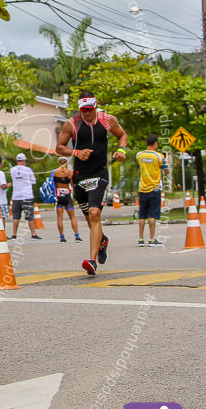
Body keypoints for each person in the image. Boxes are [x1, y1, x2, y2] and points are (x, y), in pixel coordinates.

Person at [55, 91, 129, 276]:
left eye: (89, 110)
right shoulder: (72, 123)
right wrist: (76, 152)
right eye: (83, 110)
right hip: (80, 177)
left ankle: (92, 261)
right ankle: (102, 240)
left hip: (99, 174)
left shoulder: (107, 120)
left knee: (95, 214)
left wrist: (122, 150)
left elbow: (122, 135)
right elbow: (59, 147)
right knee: (90, 219)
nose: (86, 113)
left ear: (95, 106)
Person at [136, 134, 167, 246]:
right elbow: (166, 170)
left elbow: (139, 166)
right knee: (152, 215)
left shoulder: (139, 155)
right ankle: (152, 240)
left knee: (142, 215)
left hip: (142, 188)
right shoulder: (158, 156)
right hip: (154, 188)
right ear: (155, 143)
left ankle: (140, 240)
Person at [9, 153, 41, 240]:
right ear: (23, 161)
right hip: (26, 196)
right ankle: (33, 234)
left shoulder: (12, 170)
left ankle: (14, 234)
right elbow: (33, 181)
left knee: (16, 216)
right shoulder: (28, 170)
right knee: (30, 216)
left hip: (16, 196)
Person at [52, 157, 82, 243]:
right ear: (66, 163)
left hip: (58, 196)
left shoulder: (55, 173)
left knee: (59, 218)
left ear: (59, 163)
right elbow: (73, 185)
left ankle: (62, 237)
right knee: (72, 217)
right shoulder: (70, 173)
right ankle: (77, 236)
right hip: (67, 196)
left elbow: (52, 185)